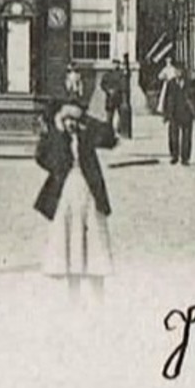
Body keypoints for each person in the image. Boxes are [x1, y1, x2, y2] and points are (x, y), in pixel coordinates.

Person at [34, 96, 117, 302]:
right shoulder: (56, 138)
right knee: (71, 241)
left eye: (74, 119)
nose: (71, 123)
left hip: (90, 193)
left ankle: (99, 296)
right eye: (66, 119)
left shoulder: (86, 134)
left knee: (94, 240)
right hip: (66, 193)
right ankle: (74, 296)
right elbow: (43, 158)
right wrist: (57, 130)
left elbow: (110, 138)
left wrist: (85, 120)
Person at [158, 62, 195, 166]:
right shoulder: (171, 83)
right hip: (174, 113)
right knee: (173, 136)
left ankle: (185, 157)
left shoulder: (189, 83)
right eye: (176, 71)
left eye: (179, 71)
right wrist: (165, 113)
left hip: (186, 113)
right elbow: (166, 98)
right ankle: (174, 155)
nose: (177, 73)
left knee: (187, 137)